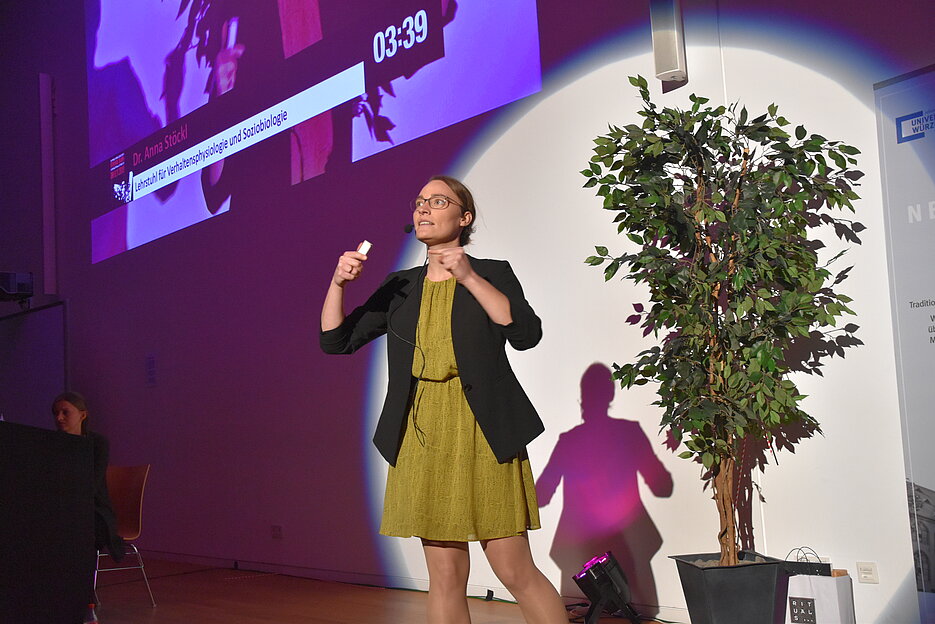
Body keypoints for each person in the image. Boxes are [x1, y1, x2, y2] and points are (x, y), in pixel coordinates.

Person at [320, 176, 567, 623]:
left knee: (513, 569)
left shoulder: (492, 272)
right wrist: (338, 283)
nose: (423, 209)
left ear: (464, 217)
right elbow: (336, 341)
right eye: (419, 202)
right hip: (421, 433)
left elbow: (525, 334)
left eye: (438, 201)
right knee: (445, 576)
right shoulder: (401, 285)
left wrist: (468, 276)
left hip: (482, 429)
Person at [52, 392, 126, 564]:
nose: (59, 418)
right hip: (64, 506)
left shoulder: (98, 442)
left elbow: (93, 482)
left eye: (65, 412)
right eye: (56, 413)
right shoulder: (53, 443)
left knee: (68, 525)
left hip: (93, 509)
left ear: (82, 415)